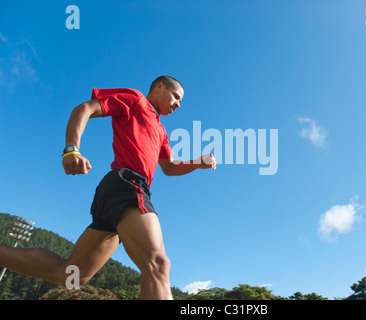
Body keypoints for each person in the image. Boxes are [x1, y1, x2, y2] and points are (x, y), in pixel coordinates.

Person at [0, 75, 216, 300]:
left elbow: (169, 167)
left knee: (71, 275)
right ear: (159, 87)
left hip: (118, 195)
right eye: (176, 96)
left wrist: (198, 162)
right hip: (127, 183)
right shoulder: (136, 100)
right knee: (158, 265)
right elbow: (85, 108)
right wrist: (72, 149)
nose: (178, 104)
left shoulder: (161, 132)